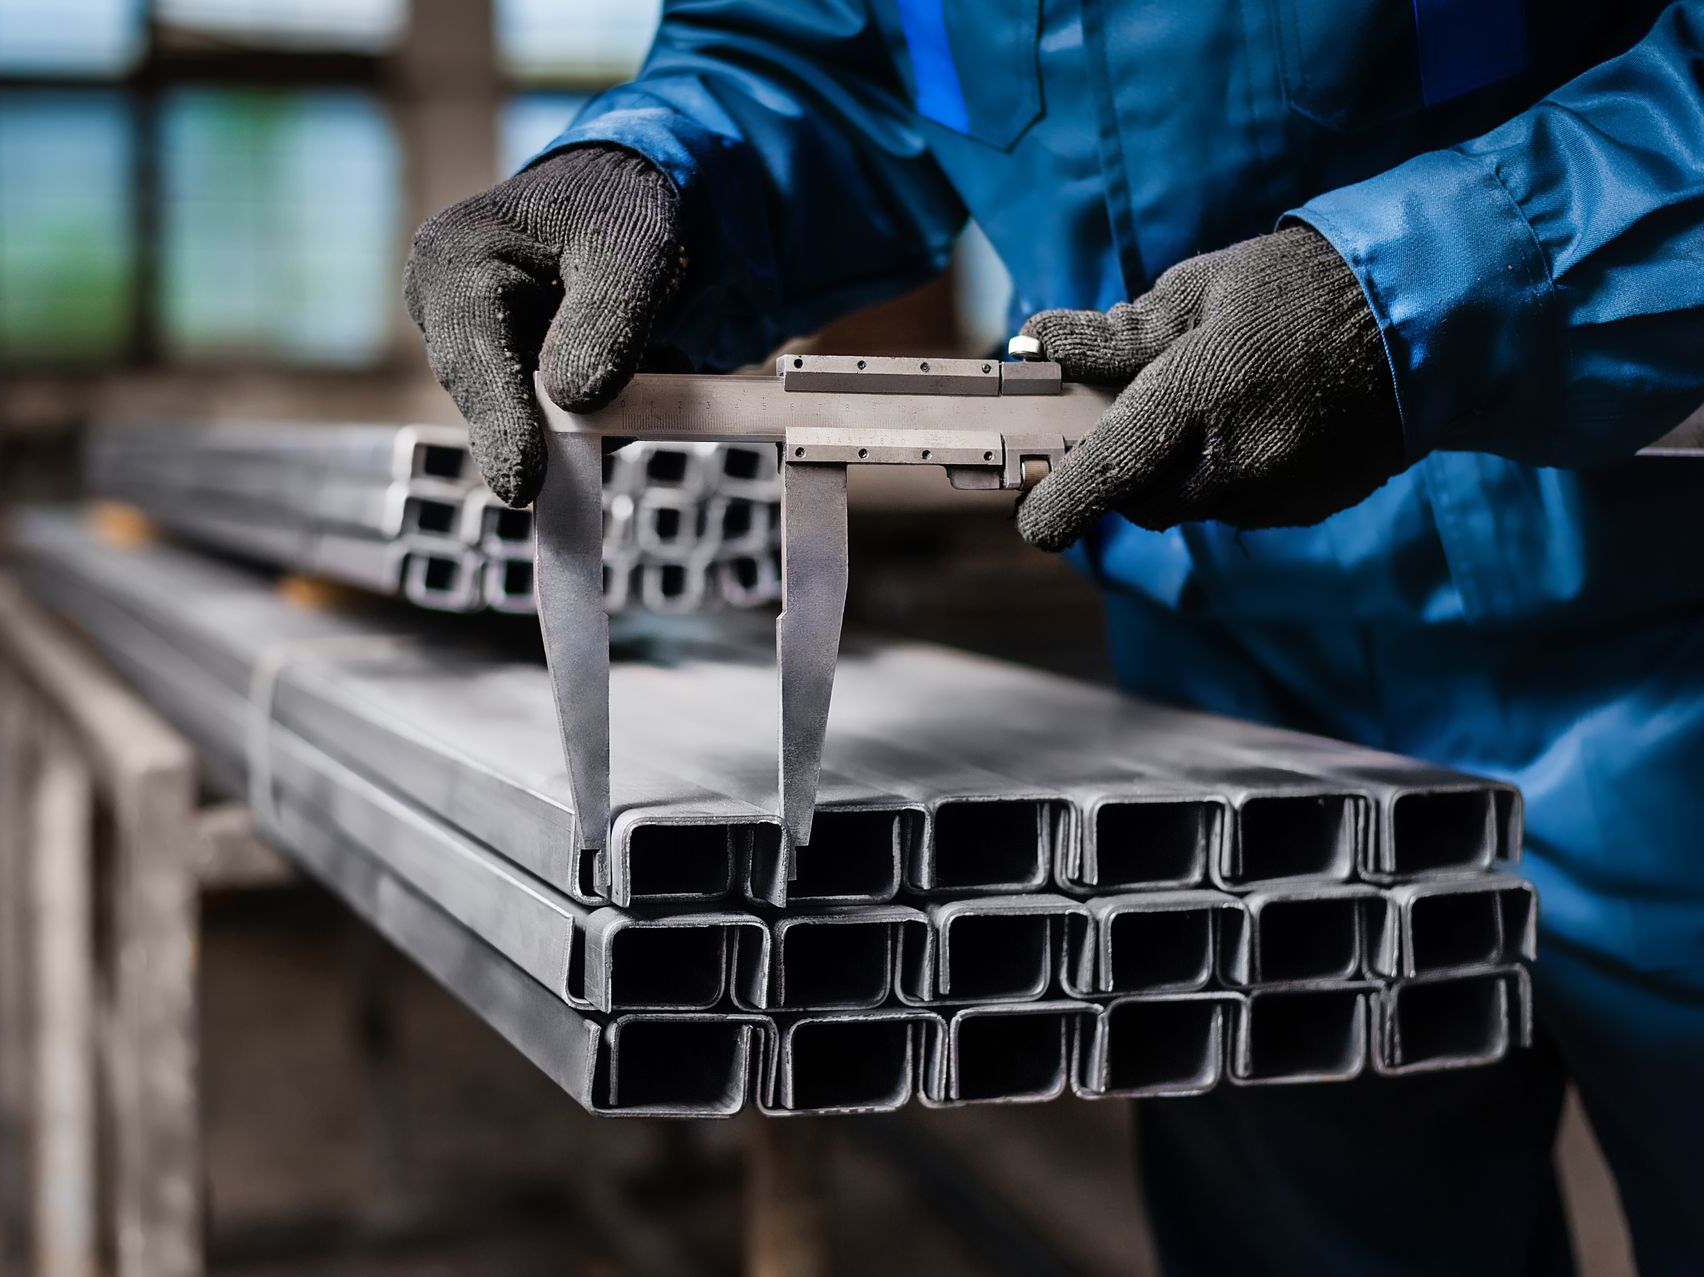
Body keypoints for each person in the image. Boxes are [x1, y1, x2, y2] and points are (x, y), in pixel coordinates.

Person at [405, 3, 1704, 1271]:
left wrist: (1423, 289)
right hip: (1229, 681)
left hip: (1661, 606)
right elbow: (817, 54)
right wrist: (647, 172)